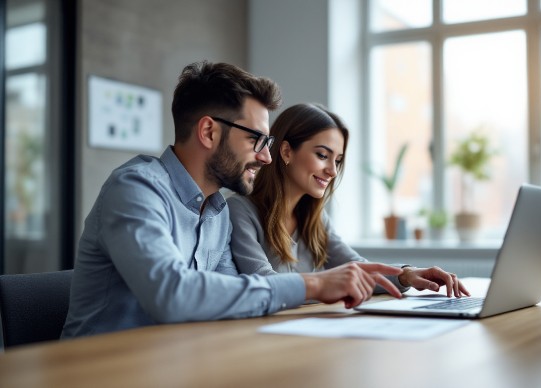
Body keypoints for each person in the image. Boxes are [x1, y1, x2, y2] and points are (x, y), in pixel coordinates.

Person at [62, 62, 404, 338]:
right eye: (257, 140)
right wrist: (312, 283)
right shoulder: (136, 189)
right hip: (100, 371)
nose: (266, 158)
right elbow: (171, 295)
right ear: (209, 132)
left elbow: (237, 293)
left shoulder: (217, 211)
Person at [228, 103, 470, 298]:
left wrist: (407, 274)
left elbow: (355, 266)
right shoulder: (240, 211)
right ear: (286, 152)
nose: (332, 171)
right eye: (322, 155)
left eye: (338, 160)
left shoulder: (314, 219)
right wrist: (327, 282)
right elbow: (263, 283)